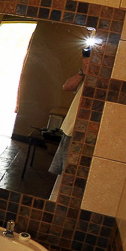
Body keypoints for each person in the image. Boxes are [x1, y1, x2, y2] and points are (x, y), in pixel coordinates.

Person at [49, 60, 87, 199]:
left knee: (70, 177)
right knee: (62, 177)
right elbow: (67, 86)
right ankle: (55, 201)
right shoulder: (86, 76)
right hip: (69, 129)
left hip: (80, 135)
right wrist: (82, 72)